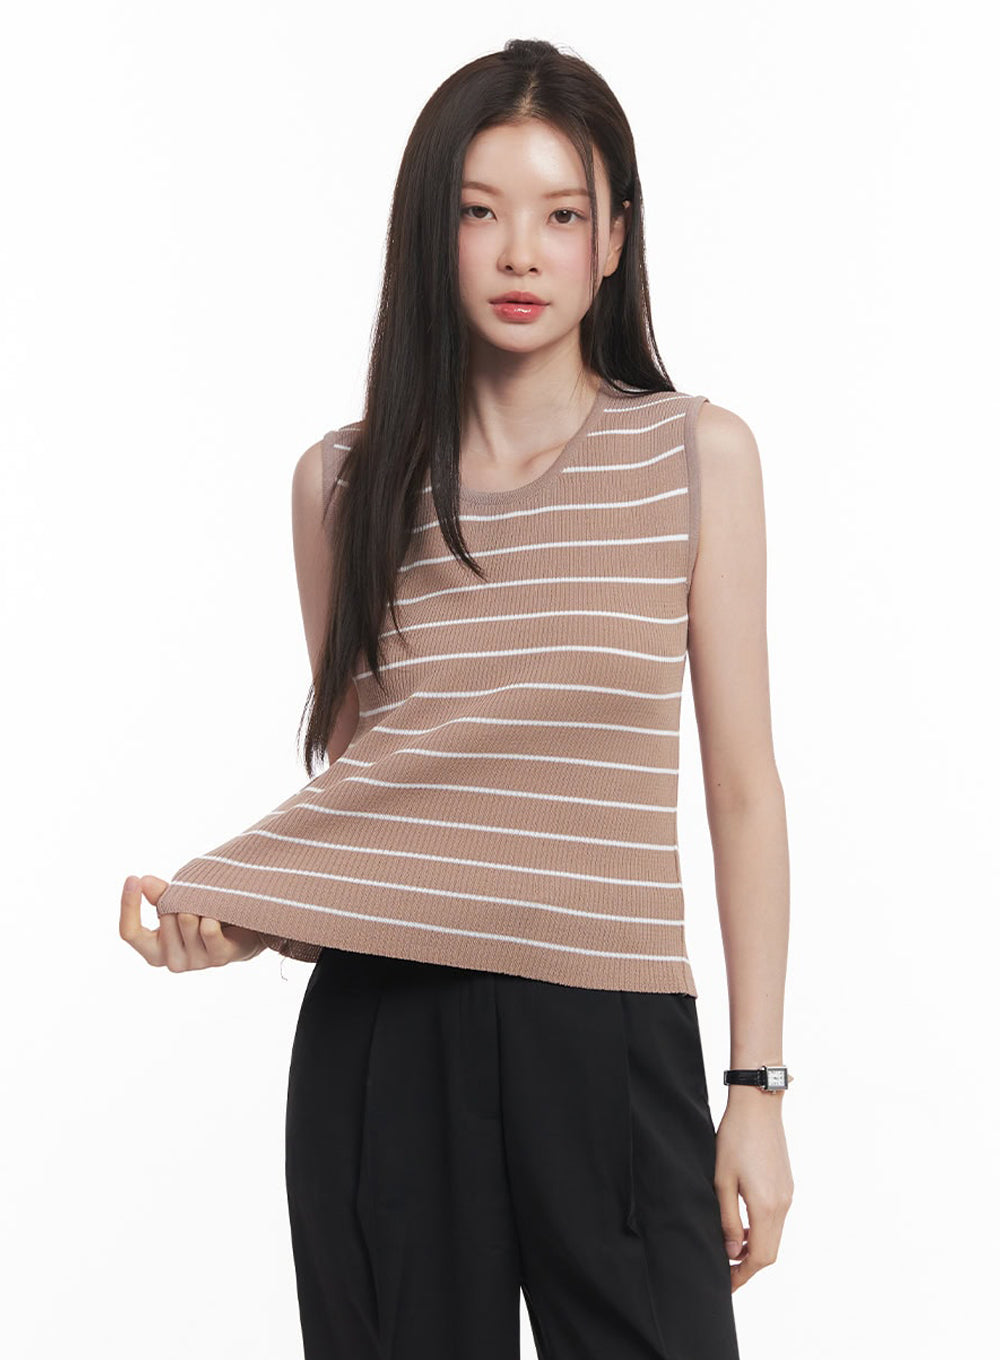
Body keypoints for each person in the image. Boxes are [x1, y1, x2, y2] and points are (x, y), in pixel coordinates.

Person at [121, 37, 793, 1360]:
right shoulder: (343, 485)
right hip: (390, 1035)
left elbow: (743, 789)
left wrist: (757, 1089)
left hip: (611, 1033)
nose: (521, 253)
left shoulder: (696, 455)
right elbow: (379, 802)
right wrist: (251, 918)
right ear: (430, 236)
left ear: (615, 239)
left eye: (561, 215)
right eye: (480, 213)